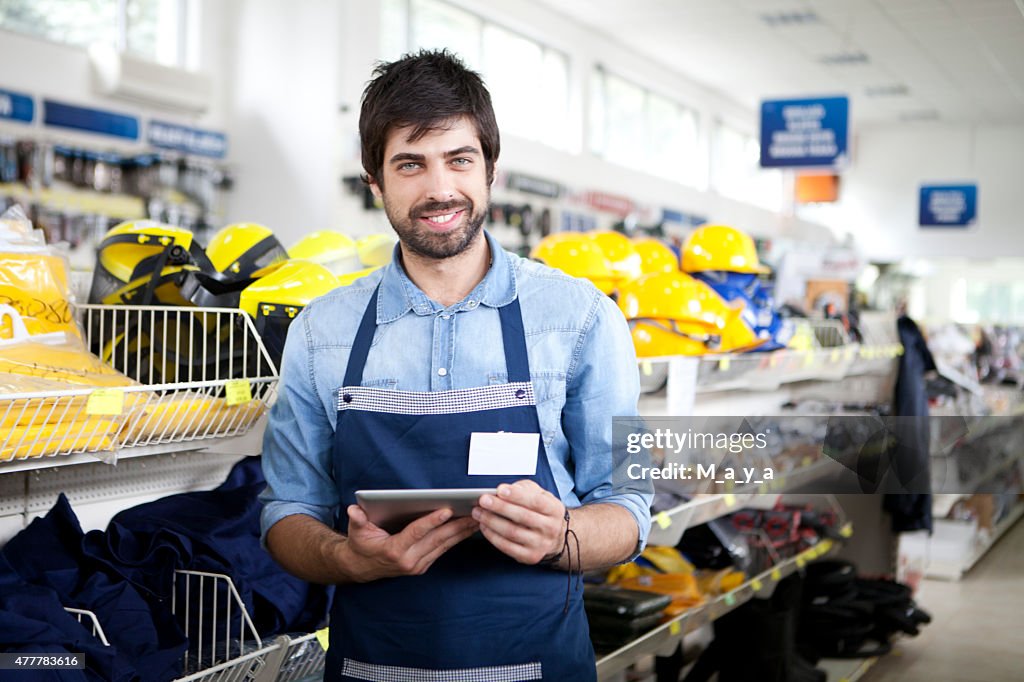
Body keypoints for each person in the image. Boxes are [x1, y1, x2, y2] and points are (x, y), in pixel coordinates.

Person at [259, 49, 653, 681]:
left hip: (540, 666)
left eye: (459, 159)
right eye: (410, 164)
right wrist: (350, 559)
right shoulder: (320, 333)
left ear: (490, 170)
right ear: (375, 182)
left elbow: (630, 507)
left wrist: (560, 538)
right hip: (370, 667)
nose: (439, 189)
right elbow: (285, 514)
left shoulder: (582, 318)